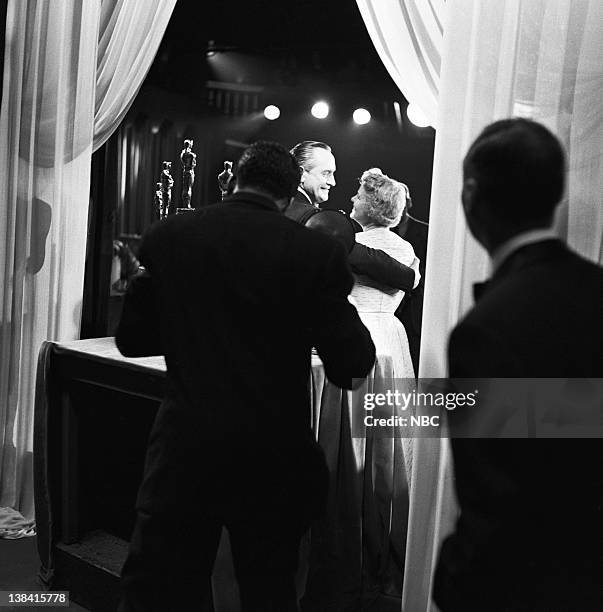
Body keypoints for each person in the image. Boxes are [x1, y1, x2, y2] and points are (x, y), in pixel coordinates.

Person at [116, 141, 376, 611]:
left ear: (236, 178)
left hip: (185, 449)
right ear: (288, 190)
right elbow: (352, 362)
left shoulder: (170, 235)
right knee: (268, 589)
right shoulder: (313, 252)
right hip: (271, 455)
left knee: (160, 587)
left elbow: (134, 340)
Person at [433, 118, 603, 611]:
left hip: (529, 587)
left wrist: (450, 583)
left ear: (470, 195)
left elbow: (497, 506)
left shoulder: (486, 330)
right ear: (557, 196)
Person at [303, 168, 419, 609]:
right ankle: (382, 534)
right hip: (390, 338)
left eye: (356, 194)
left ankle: (343, 531)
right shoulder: (405, 249)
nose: (349, 198)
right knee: (386, 444)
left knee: (348, 443)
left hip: (357, 336)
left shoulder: (352, 244)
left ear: (367, 204)